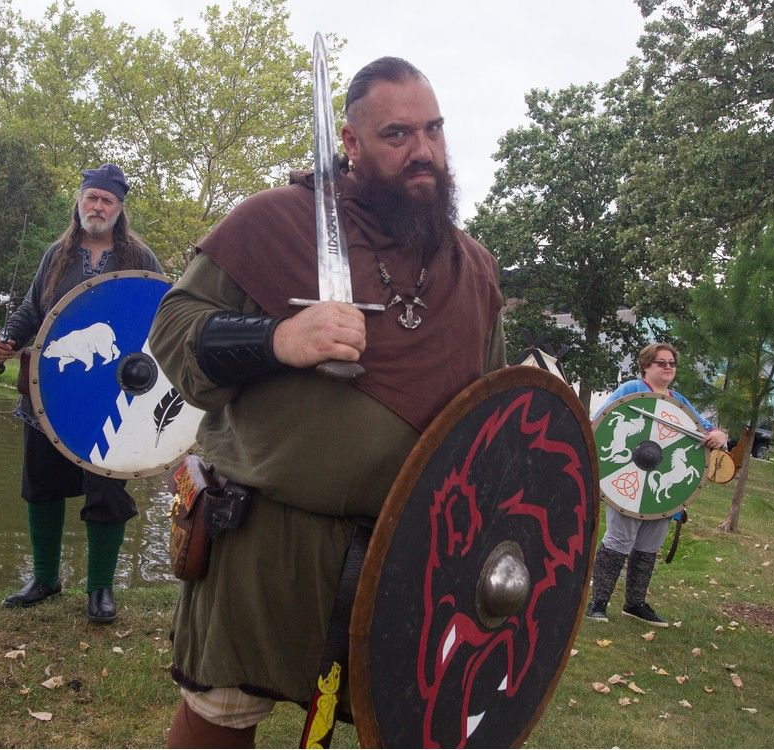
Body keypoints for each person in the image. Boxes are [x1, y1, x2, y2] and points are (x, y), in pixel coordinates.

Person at [149, 57, 505, 747]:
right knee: (218, 718)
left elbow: (488, 422)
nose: (424, 151)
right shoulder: (269, 225)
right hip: (259, 542)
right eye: (397, 134)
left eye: (433, 130)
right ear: (350, 141)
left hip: (401, 556)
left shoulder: (475, 270)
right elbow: (172, 334)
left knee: (397, 722)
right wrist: (277, 338)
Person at [0, 164, 162, 624]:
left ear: (119, 209)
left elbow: (162, 314)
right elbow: (32, 308)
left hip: (112, 394)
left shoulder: (140, 259)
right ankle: (44, 578)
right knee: (41, 484)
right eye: (91, 198)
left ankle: (100, 589)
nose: (97, 206)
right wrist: (9, 337)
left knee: (106, 487)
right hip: (51, 390)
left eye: (106, 200)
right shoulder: (56, 255)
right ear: (79, 203)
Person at [586, 342, 728, 627]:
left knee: (649, 545)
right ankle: (598, 602)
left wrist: (718, 434)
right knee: (619, 539)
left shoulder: (678, 400)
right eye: (661, 363)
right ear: (646, 366)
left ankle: (635, 604)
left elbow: (705, 427)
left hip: (659, 482)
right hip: (628, 478)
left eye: (671, 363)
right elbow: (599, 422)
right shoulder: (630, 390)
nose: (667, 368)